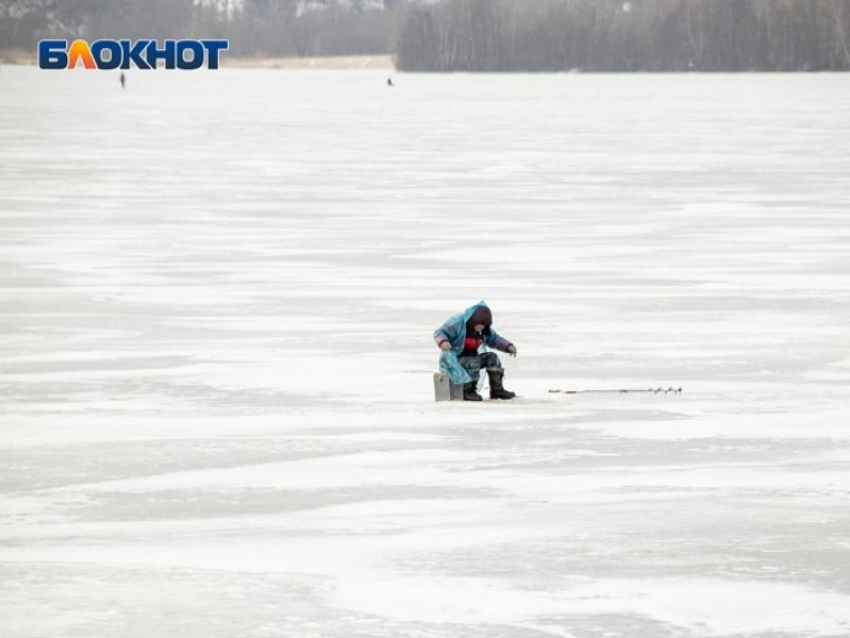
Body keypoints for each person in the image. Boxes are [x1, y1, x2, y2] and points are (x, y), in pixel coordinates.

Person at [434, 301, 517, 401]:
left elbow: (494, 339)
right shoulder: (457, 323)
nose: (482, 327)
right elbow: (439, 332)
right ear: (474, 320)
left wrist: (508, 346)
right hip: (454, 359)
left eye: (485, 325)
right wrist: (443, 342)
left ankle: (497, 390)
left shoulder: (482, 330)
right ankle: (468, 390)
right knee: (473, 361)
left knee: (492, 358)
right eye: (481, 324)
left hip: (471, 357)